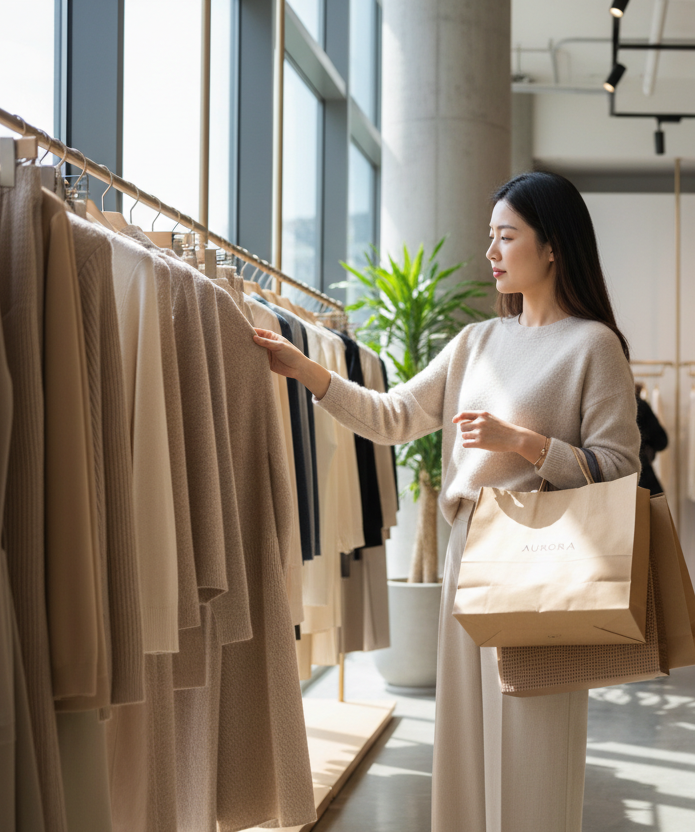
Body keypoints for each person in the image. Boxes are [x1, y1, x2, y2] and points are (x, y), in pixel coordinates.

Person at [251, 171, 641, 832]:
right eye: (490, 236)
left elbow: (620, 469)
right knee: (464, 740)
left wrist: (524, 443)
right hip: (470, 554)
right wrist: (309, 371)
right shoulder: (475, 343)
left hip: (541, 559)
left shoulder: (593, 347)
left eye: (506, 236)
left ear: (552, 247)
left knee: (533, 738)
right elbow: (394, 416)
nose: (491, 251)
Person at [635, 382, 669, 494]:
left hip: (611, 481)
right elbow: (661, 441)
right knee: (651, 509)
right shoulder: (639, 405)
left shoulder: (602, 405)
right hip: (642, 475)